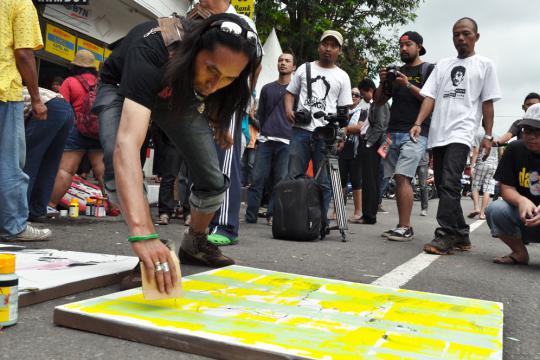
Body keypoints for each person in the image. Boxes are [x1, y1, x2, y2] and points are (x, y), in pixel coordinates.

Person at [95, 13, 260, 293]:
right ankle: (150, 250)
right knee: (116, 158)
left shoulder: (220, 77)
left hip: (173, 94)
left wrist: (218, 123)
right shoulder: (152, 49)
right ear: (195, 50)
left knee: (211, 175)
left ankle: (195, 242)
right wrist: (143, 233)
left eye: (228, 78)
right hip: (122, 88)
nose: (214, 84)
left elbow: (217, 90)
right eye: (211, 70)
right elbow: (127, 145)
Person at [411, 17, 501, 255]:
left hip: (462, 134)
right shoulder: (442, 65)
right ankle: (461, 233)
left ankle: (446, 234)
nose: (460, 38)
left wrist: (488, 135)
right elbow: (429, 96)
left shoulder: (485, 65)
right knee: (443, 185)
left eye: (466, 33)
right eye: (456, 34)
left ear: (476, 37)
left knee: (450, 182)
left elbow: (488, 102)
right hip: (438, 133)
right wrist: (418, 122)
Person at [284, 30, 353, 233]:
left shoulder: (342, 76)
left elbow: (344, 111)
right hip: (301, 130)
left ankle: (320, 223)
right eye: (325, 44)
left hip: (326, 134)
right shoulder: (304, 69)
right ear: (319, 46)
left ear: (339, 50)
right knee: (294, 176)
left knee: (324, 183)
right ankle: (291, 221)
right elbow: (290, 93)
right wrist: (289, 109)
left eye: (333, 45)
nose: (328, 49)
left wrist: (341, 135)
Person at [0, 0, 52, 242]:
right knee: (10, 161)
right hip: (3, 90)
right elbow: (23, 52)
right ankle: (13, 224)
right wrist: (36, 98)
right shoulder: (19, 3)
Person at [375, 31, 434, 241]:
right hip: (393, 132)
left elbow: (431, 99)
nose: (403, 49)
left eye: (408, 45)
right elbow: (379, 101)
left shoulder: (429, 70)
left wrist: (407, 84)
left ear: (419, 46)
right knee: (390, 177)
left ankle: (405, 227)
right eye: (401, 45)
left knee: (403, 176)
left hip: (416, 131)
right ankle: (400, 225)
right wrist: (383, 82)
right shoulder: (396, 72)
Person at [485, 103, 540, 265]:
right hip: (524, 217)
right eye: (528, 131)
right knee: (495, 209)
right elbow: (506, 188)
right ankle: (519, 253)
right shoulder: (515, 149)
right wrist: (521, 200)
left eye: (538, 132)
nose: (531, 136)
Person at [49, 50, 105, 208]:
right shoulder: (100, 82)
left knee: (67, 170)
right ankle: (115, 207)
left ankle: (51, 204)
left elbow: (61, 108)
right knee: (102, 171)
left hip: (76, 130)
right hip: (98, 130)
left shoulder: (70, 82)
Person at [245, 53, 296, 225]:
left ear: (293, 67)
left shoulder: (297, 91)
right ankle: (250, 216)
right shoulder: (267, 88)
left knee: (280, 181)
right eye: (280, 60)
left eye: (287, 61)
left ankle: (272, 215)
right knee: (257, 179)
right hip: (266, 139)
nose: (283, 63)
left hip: (287, 141)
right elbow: (262, 114)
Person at [23, 87, 74, 222]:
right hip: (65, 108)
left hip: (46, 108)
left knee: (28, 162)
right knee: (49, 164)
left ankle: (19, 213)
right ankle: (37, 211)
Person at [352, 78, 390, 224]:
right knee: (370, 180)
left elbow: (380, 127)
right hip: (376, 145)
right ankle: (368, 214)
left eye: (362, 94)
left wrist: (368, 143)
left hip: (374, 146)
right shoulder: (376, 103)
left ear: (370, 90)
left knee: (370, 181)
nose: (363, 97)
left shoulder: (379, 103)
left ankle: (369, 215)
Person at [337, 87, 368, 222]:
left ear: (360, 98)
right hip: (340, 148)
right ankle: (338, 211)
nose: (354, 96)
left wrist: (344, 129)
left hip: (355, 150)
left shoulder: (363, 112)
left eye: (357, 94)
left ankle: (358, 212)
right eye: (351, 94)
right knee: (340, 180)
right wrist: (347, 130)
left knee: (356, 181)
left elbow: (360, 127)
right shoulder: (340, 111)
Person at [468, 128, 499, 220]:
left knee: (475, 186)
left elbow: (476, 152)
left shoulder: (478, 135)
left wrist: (472, 165)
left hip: (481, 164)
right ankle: (482, 214)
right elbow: (501, 152)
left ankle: (476, 208)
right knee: (487, 189)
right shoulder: (497, 136)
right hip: (493, 165)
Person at [416, 151, 430, 216]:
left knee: (423, 186)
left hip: (423, 161)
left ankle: (424, 208)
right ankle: (405, 207)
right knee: (406, 183)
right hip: (410, 159)